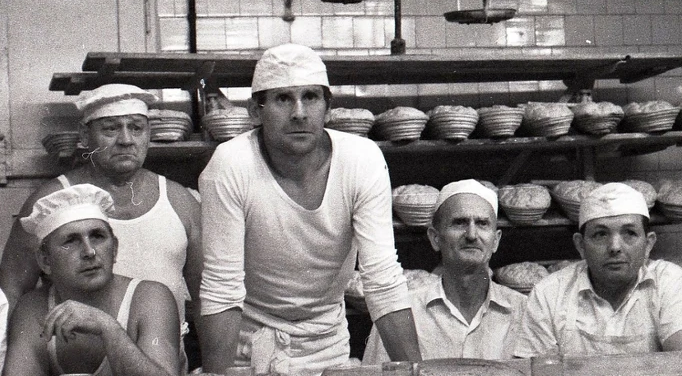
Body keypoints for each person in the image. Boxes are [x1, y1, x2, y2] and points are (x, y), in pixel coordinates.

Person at [198, 43, 421, 375]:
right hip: (247, 350)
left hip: (328, 348)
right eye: (283, 99)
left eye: (311, 97)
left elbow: (383, 280)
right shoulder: (231, 165)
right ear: (255, 111)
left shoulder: (361, 160)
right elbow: (222, 289)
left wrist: (417, 372)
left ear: (328, 108)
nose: (299, 112)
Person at [0, 83, 203, 368]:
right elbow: (11, 293)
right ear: (85, 135)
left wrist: (216, 369)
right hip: (73, 355)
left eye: (136, 128)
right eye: (110, 129)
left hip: (158, 359)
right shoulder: (50, 201)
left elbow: (207, 295)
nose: (126, 140)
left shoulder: (180, 201)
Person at [514, 182, 682, 358]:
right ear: (581, 245)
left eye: (629, 233)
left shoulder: (669, 281)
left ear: (648, 244)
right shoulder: (549, 294)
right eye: (601, 234)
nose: (615, 247)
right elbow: (534, 371)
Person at [3, 184, 181, 376]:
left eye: (97, 236)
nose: (89, 251)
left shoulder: (150, 299)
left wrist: (107, 327)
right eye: (71, 241)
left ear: (114, 249)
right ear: (45, 261)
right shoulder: (34, 308)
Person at [363, 179, 526, 363]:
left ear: (495, 240)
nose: (472, 235)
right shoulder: (400, 315)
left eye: (482, 223)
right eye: (459, 223)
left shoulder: (525, 311)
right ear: (435, 238)